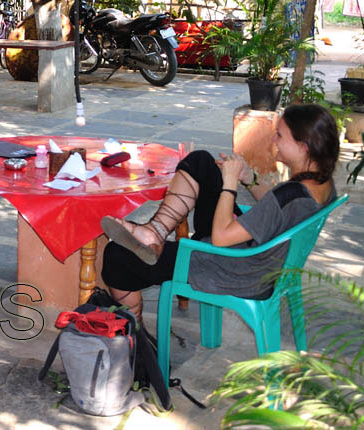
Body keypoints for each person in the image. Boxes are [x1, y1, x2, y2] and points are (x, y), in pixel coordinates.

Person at [99, 103, 339, 321]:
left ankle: (134, 334)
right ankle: (154, 232)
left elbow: (221, 238)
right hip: (258, 260)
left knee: (116, 256)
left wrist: (230, 184)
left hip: (235, 269)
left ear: (303, 147)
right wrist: (248, 179)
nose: (274, 141)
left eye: (280, 136)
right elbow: (278, 208)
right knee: (201, 162)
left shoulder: (290, 194)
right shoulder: (322, 186)